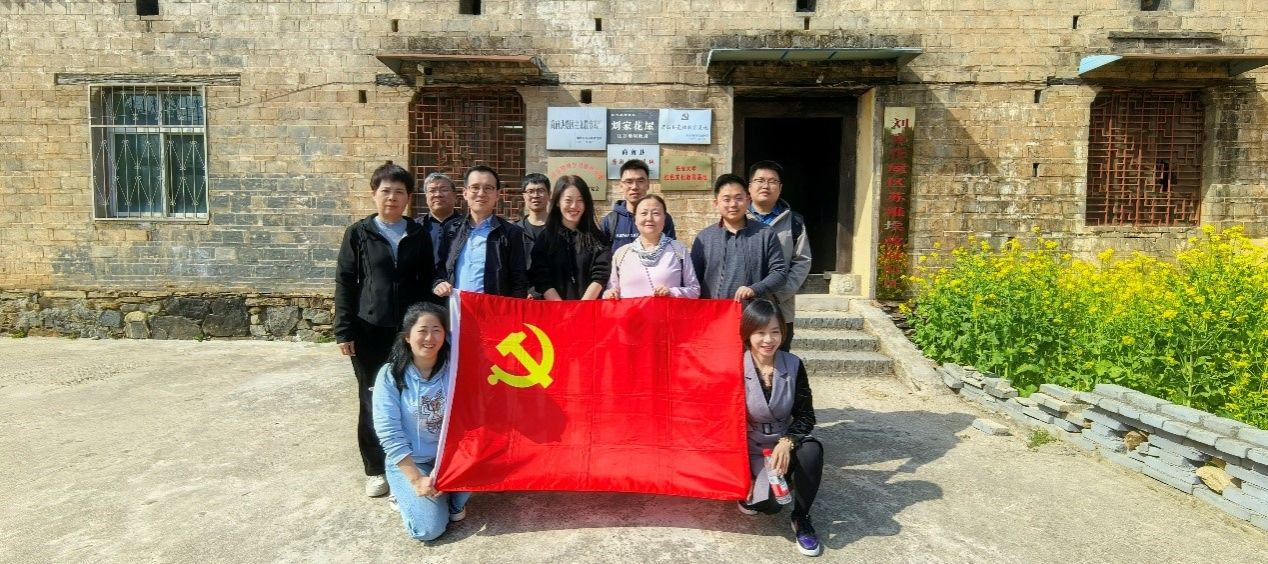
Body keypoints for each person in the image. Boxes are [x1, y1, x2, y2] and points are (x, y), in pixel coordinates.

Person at [334, 161, 437, 498]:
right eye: (386, 191)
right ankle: (375, 468)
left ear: (408, 198)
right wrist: (344, 329)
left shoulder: (418, 234)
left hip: (409, 334)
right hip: (369, 331)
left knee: (409, 399)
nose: (392, 197)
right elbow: (345, 282)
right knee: (372, 399)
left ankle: (406, 467)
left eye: (399, 192)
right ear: (373, 194)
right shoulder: (358, 233)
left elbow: (427, 279)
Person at [372, 302, 471, 542]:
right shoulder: (391, 375)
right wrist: (416, 479)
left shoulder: (456, 370)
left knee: (469, 486)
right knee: (428, 530)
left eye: (437, 330)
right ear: (407, 336)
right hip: (412, 461)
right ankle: (403, 489)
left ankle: (452, 500)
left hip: (449, 458)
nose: (430, 338)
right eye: (422, 330)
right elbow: (388, 432)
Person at [736, 299, 824, 557]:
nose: (768, 340)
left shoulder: (793, 364)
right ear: (748, 333)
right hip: (750, 448)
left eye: (775, 332)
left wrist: (787, 442)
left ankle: (801, 518)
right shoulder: (734, 365)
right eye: (760, 332)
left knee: (812, 450)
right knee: (770, 505)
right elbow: (724, 423)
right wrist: (739, 476)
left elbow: (806, 415)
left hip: (783, 442)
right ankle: (769, 483)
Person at [432, 165, 530, 299]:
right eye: (475, 187)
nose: (481, 193)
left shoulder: (511, 233)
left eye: (488, 188)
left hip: (494, 309)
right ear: (465, 193)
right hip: (456, 308)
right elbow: (440, 269)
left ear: (497, 195)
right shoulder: (451, 229)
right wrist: (439, 283)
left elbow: (519, 281)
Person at [690, 173, 787, 302]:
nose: (733, 204)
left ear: (748, 200)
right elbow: (692, 280)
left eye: (738, 198)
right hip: (715, 312)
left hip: (752, 311)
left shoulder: (765, 233)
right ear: (716, 203)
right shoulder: (704, 238)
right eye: (726, 199)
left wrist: (755, 289)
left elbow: (779, 273)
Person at [747, 161, 812, 351]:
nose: (765, 186)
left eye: (772, 181)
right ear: (749, 186)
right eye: (760, 180)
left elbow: (802, 261)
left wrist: (779, 294)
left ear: (780, 188)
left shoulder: (794, 221)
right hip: (744, 306)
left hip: (781, 307)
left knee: (779, 358)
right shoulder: (738, 218)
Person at [530, 175, 611, 300]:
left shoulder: (598, 238)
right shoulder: (545, 238)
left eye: (580, 200)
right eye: (568, 200)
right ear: (558, 202)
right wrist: (561, 308)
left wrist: (581, 307)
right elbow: (541, 277)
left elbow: (601, 274)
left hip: (589, 308)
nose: (574, 206)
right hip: (555, 308)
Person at [603, 194, 699, 299]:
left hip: (666, 309)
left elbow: (694, 290)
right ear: (635, 219)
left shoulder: (678, 249)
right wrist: (610, 294)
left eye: (656, 213)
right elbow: (611, 288)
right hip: (629, 310)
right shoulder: (622, 253)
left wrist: (672, 292)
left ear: (664, 218)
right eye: (644, 213)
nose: (649, 218)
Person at [599, 159, 677, 255]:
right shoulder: (610, 221)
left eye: (640, 181)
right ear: (621, 185)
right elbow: (603, 256)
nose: (634, 187)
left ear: (648, 184)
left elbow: (671, 253)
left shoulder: (661, 218)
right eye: (629, 181)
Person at [416, 172, 463, 270]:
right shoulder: (415, 227)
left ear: (455, 196)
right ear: (426, 197)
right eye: (432, 191)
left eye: (444, 190)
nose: (438, 195)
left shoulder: (467, 226)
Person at [516, 172, 550, 244]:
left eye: (540, 190)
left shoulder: (560, 228)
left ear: (549, 194)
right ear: (524, 196)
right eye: (530, 191)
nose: (535, 195)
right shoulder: (516, 229)